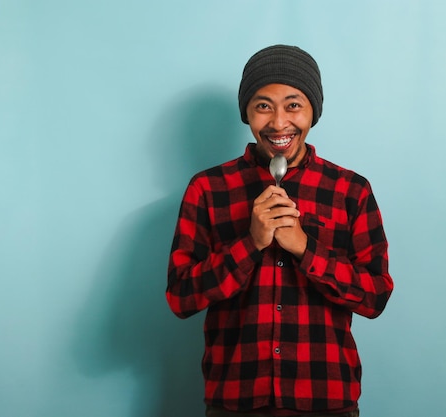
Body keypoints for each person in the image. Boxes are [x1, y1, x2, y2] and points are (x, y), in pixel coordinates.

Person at [166, 44, 394, 417]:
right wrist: (251, 243)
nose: (278, 122)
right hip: (235, 399)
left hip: (326, 399)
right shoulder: (208, 189)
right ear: (247, 113)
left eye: (293, 105)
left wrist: (306, 249)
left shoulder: (351, 190)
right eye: (263, 105)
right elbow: (180, 298)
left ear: (312, 112)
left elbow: (375, 297)